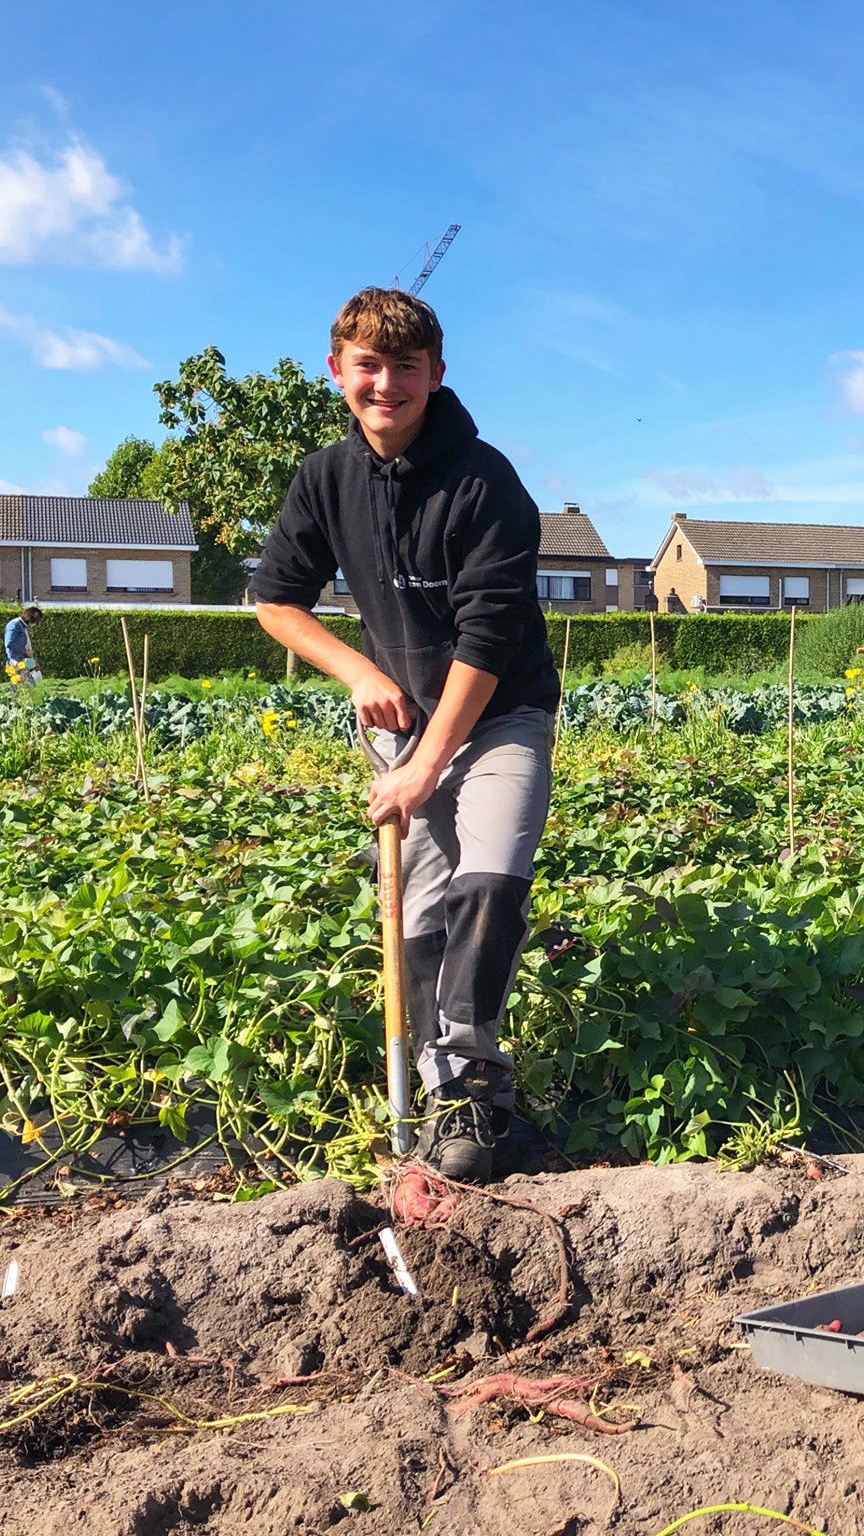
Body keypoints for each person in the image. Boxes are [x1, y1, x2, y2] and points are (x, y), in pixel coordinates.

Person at [252, 287, 559, 1182]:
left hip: (499, 713)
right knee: (419, 910)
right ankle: (431, 1086)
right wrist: (359, 671)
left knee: (491, 879)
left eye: (406, 368)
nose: (386, 386)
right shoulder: (325, 478)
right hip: (404, 719)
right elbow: (276, 600)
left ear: (436, 374)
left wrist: (427, 764)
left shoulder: (485, 480)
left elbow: (489, 638)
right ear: (337, 370)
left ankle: (473, 1091)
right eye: (368, 367)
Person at [3, 605, 43, 684]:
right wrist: (24, 651)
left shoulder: (23, 626)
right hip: (15, 661)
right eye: (36, 621)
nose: (36, 624)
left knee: (37, 670)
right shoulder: (14, 625)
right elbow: (9, 643)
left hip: (24, 659)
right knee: (22, 685)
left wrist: (33, 661)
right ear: (30, 617)